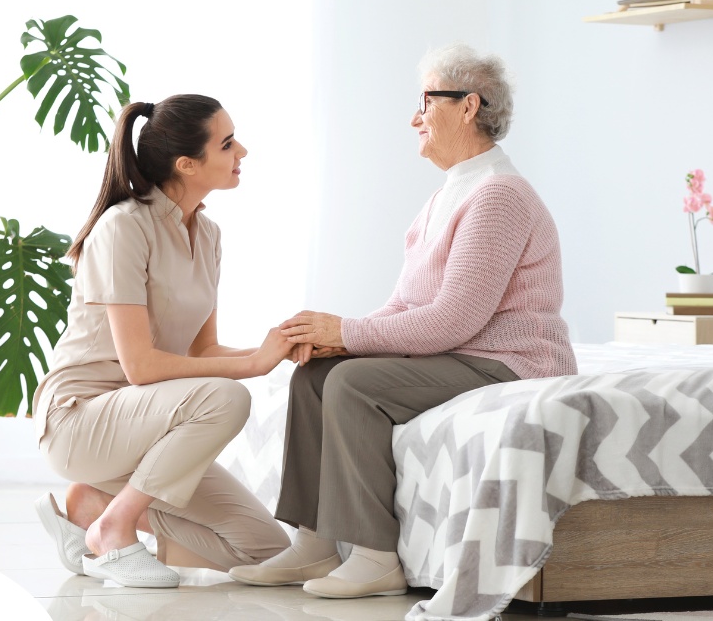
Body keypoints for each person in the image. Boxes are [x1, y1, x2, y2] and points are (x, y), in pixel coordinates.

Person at [228, 44, 578, 598]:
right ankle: (315, 544)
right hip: (463, 354)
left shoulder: (498, 197)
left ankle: (375, 555)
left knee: (354, 384)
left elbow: (452, 321)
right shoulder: (448, 195)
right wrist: (336, 341)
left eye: (425, 101)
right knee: (318, 375)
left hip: (510, 363)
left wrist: (345, 335)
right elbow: (404, 306)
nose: (414, 117)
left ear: (468, 106)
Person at [31, 95, 293, 588]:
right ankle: (115, 527)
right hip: (82, 420)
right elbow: (142, 369)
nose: (244, 152)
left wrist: (278, 347)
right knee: (227, 396)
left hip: (146, 426)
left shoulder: (209, 234)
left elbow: (202, 353)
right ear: (187, 164)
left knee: (266, 553)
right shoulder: (123, 227)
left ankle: (93, 508)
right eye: (228, 143)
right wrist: (253, 366)